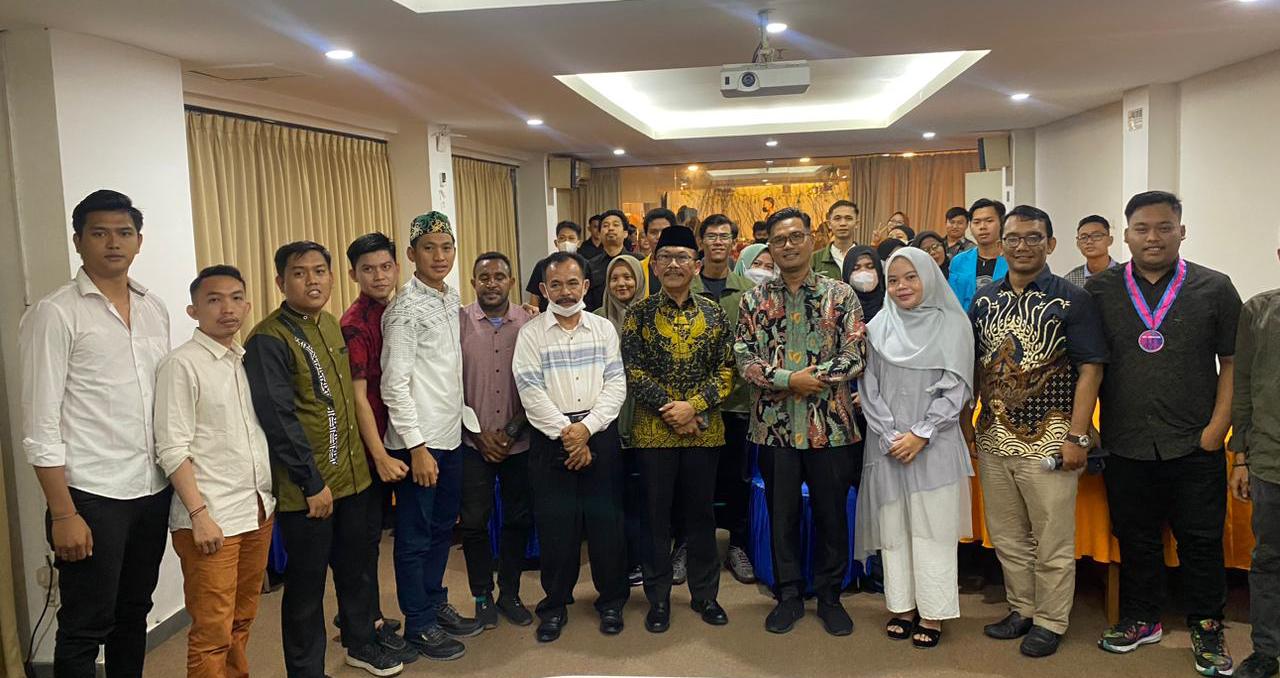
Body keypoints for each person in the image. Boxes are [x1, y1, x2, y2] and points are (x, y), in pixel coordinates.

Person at [1088, 191, 1242, 677]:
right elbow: (1085, 364)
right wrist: (1086, 428)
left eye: (1163, 227)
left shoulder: (1214, 287)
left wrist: (1217, 429)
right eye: (1142, 228)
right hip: (1125, 439)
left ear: (1182, 231)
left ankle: (1207, 625)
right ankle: (1142, 617)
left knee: (1201, 540)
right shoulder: (1100, 290)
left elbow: (1233, 363)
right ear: (1126, 234)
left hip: (1194, 440)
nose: (1152, 237)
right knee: (1135, 537)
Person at [21, 190, 173, 678]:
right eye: (100, 233)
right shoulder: (55, 312)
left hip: (151, 489)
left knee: (134, 612)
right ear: (78, 241)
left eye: (124, 233)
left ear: (139, 241)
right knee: (85, 625)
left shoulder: (154, 307)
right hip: (91, 495)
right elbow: (40, 424)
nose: (113, 243)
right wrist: (64, 512)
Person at [244, 241, 402, 676]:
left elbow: (345, 401)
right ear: (281, 282)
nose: (311, 281)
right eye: (299, 273)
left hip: (354, 479)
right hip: (309, 489)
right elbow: (279, 419)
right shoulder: (268, 339)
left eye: (319, 271)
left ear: (332, 277)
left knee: (358, 570)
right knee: (306, 587)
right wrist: (311, 482)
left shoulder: (330, 324)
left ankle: (360, 643)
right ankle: (306, 670)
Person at [967, 205, 1108, 659]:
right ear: (1000, 244)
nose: (1022, 246)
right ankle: (1022, 609)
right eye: (1013, 238)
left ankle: (1050, 620)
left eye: (1033, 238)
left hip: (1051, 439)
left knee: (1051, 539)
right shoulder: (984, 299)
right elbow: (975, 365)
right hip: (993, 437)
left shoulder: (1072, 299)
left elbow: (1091, 369)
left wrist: (1078, 436)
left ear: (1050, 243)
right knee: (1008, 536)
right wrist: (969, 424)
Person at [735, 207, 866, 636]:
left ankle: (830, 597)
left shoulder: (840, 295)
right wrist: (789, 380)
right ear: (769, 247)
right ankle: (788, 595)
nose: (788, 245)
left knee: (832, 514)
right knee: (782, 515)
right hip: (773, 429)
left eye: (796, 236)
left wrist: (817, 379)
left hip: (831, 428)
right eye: (779, 239)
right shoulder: (753, 300)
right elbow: (743, 357)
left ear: (812, 239)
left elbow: (855, 353)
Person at [155, 265, 276, 677]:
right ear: (193, 310)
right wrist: (198, 514)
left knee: (241, 620)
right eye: (214, 300)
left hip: (256, 511)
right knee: (212, 632)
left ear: (248, 305)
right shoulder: (182, 365)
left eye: (236, 298)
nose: (228, 308)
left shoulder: (244, 360)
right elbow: (172, 447)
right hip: (211, 519)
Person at [857, 248, 975, 649]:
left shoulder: (953, 325)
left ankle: (933, 612)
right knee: (895, 528)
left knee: (932, 529)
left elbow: (957, 388)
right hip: (888, 445)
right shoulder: (878, 326)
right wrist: (890, 434)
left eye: (911, 277)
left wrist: (922, 433)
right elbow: (868, 386)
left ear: (929, 277)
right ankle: (902, 606)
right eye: (893, 280)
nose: (902, 286)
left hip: (934, 444)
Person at [622, 225, 734, 633]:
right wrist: (671, 410)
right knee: (656, 518)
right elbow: (632, 370)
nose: (674, 264)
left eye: (682, 257)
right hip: (653, 432)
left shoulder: (715, 314)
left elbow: (727, 370)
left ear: (696, 265)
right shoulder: (638, 314)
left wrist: (693, 407)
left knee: (700, 516)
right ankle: (658, 599)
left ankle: (705, 596)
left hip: (704, 431)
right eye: (666, 257)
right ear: (654, 265)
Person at [513, 251, 629, 643]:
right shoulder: (530, 334)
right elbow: (530, 391)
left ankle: (611, 601)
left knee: (606, 525)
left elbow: (616, 385)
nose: (565, 292)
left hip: (599, 433)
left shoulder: (603, 329)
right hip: (551, 438)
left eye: (572, 283)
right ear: (544, 289)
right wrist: (569, 434)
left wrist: (587, 430)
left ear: (586, 285)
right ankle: (554, 605)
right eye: (556, 285)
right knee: (557, 528)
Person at [381, 212, 481, 661]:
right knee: (415, 536)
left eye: (446, 247)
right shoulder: (403, 310)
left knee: (442, 529)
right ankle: (418, 623)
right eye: (429, 248)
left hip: (451, 435)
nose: (439, 256)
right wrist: (417, 448)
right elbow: (394, 385)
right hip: (420, 444)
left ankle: (434, 602)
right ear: (411, 254)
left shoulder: (449, 296)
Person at [341, 233, 412, 653]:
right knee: (363, 544)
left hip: (397, 437)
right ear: (353, 274)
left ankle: (365, 613)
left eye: (386, 267)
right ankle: (365, 626)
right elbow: (358, 398)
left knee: (376, 537)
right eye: (368, 269)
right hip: (370, 452)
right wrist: (380, 455)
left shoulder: (398, 311)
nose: (379, 276)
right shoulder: (355, 324)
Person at [458, 252, 536, 630]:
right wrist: (478, 435)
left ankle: (509, 592)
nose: (491, 283)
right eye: (484, 277)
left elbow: (540, 384)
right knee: (474, 522)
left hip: (519, 441)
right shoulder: (456, 323)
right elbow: (447, 386)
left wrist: (512, 431)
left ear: (511, 281)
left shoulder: (530, 323)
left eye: (499, 277)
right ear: (474, 282)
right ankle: (481, 595)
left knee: (518, 520)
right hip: (472, 443)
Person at [695, 215, 758, 585]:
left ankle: (737, 544)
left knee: (736, 479)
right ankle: (690, 545)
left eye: (724, 236)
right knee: (695, 481)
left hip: (736, 403)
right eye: (711, 236)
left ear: (734, 242)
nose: (718, 241)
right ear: (701, 242)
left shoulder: (749, 291)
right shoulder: (684, 287)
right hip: (695, 405)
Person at [1229, 232, 1280, 678]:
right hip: (1270, 462)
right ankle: (1266, 649)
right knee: (1269, 560)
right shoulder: (1258, 312)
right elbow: (1242, 387)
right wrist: (1240, 456)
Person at [595, 255, 648, 588]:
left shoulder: (653, 316)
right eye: (615, 278)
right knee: (612, 496)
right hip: (606, 421)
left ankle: (642, 559)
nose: (622, 284)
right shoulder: (595, 320)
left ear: (639, 280)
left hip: (646, 419)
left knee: (643, 497)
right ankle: (617, 563)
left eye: (628, 277)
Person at [526, 220, 603, 312]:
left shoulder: (587, 265)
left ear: (578, 243)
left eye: (571, 238)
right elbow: (535, 294)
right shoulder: (543, 265)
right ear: (556, 242)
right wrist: (534, 314)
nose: (566, 242)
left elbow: (593, 295)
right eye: (562, 238)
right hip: (549, 314)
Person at [949, 198, 1009, 311]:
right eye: (976, 222)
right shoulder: (959, 261)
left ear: (1002, 224)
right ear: (970, 227)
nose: (982, 227)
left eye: (989, 221)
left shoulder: (1012, 260)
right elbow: (952, 301)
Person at [1064, 215, 1118, 288]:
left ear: (1110, 240)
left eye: (1096, 236)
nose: (1089, 241)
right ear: (1078, 244)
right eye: (1084, 237)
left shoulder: (1126, 276)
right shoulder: (1070, 281)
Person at [812, 200, 860, 280]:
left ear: (856, 224)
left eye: (848, 218)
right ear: (829, 224)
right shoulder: (815, 259)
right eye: (837, 218)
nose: (843, 223)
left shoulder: (866, 257)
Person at [640, 207, 677, 295]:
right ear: (646, 235)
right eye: (653, 232)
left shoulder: (686, 267)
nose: (659, 237)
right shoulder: (639, 269)